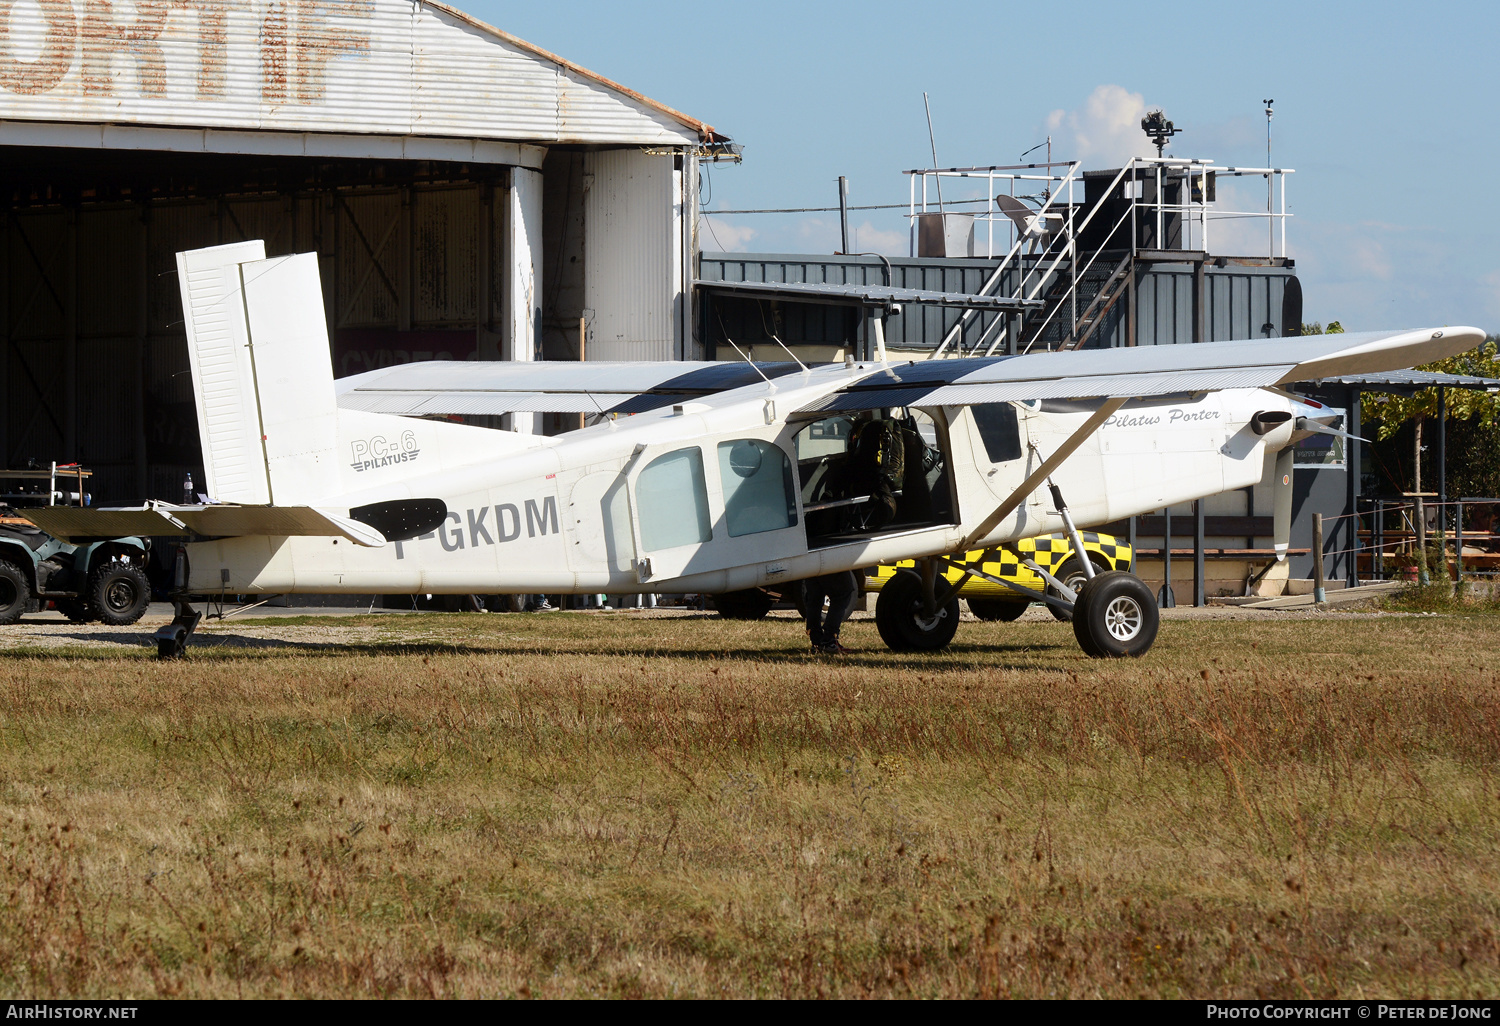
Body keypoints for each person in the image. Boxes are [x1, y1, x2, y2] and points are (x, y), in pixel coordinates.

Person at [803, 570, 859, 655]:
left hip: (810, 562)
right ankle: (829, 640)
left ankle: (816, 640)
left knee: (814, 598)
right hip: (830, 562)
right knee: (842, 593)